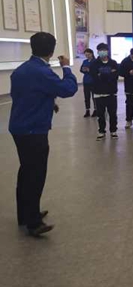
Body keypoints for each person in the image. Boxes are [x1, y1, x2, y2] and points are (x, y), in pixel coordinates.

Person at [9, 32, 78, 236]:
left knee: (26, 172)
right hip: (34, 130)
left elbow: (26, 95)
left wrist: (48, 103)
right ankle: (33, 222)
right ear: (52, 50)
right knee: (35, 175)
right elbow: (68, 89)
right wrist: (66, 67)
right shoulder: (42, 72)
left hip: (20, 127)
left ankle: (24, 214)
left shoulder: (21, 70)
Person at [90, 43, 119, 140]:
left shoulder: (113, 63)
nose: (102, 52)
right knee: (100, 114)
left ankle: (113, 130)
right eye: (100, 50)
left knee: (113, 114)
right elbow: (94, 76)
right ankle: (101, 131)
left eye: (104, 50)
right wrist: (108, 73)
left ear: (107, 51)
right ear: (98, 52)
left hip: (111, 93)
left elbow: (115, 76)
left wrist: (102, 74)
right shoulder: (94, 64)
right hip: (98, 93)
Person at [80, 48, 97, 118]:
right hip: (86, 81)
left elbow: (96, 71)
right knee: (86, 97)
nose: (87, 56)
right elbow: (81, 69)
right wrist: (83, 70)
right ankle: (87, 110)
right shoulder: (85, 61)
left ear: (92, 54)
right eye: (86, 55)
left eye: (88, 54)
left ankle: (96, 110)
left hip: (93, 81)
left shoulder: (95, 61)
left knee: (94, 96)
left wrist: (89, 70)